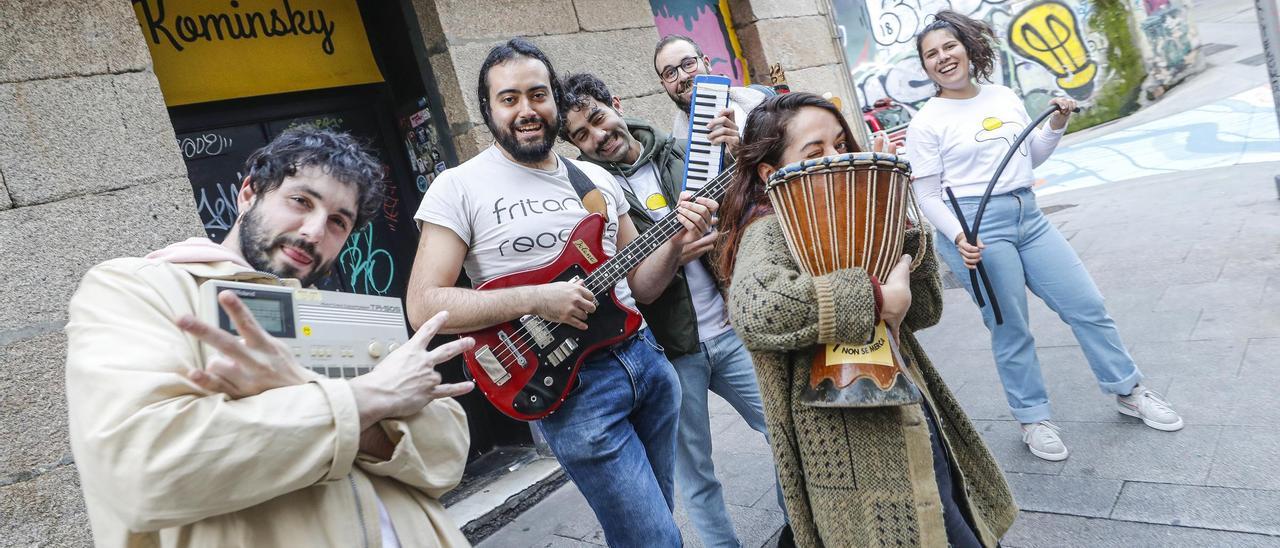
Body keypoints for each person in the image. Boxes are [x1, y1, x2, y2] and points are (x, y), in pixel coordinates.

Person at [65, 127, 475, 547]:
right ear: (248, 194)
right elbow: (141, 471)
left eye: (338, 221)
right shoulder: (139, 289)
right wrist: (367, 399)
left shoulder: (344, 317)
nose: (314, 231)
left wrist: (321, 406)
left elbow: (447, 458)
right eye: (300, 201)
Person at [406, 39, 714, 547]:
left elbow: (641, 284)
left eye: (538, 94)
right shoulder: (459, 187)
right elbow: (424, 306)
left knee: (651, 529)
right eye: (509, 99)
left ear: (554, 100)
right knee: (657, 539)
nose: (526, 110)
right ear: (488, 108)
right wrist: (536, 298)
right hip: (571, 388)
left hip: (647, 363)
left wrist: (677, 235)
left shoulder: (593, 178)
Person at [717, 92, 1017, 547]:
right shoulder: (771, 227)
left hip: (910, 404)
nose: (837, 158)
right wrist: (875, 298)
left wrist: (899, 220)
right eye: (815, 152)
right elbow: (756, 306)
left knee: (950, 511)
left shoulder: (852, 211)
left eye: (841, 143)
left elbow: (923, 312)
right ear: (771, 172)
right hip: (852, 440)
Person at [906, 10, 1183, 462]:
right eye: (931, 55)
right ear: (925, 67)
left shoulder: (1003, 95)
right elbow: (927, 193)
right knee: (1010, 327)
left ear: (967, 48)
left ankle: (1128, 390)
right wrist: (958, 236)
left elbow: (1026, 160)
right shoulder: (927, 122)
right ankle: (1033, 418)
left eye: (949, 47)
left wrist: (1056, 125)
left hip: (1029, 217)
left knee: (1086, 305)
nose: (943, 58)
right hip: (977, 227)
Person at [560, 71, 785, 548]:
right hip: (672, 348)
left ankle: (798, 527)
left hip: (732, 328)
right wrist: (673, 249)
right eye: (581, 135)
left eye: (598, 119)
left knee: (785, 435)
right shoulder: (590, 197)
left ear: (616, 103)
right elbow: (641, 289)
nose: (598, 137)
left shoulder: (684, 151)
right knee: (697, 475)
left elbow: (748, 209)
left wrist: (737, 153)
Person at [653, 35, 767, 144]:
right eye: (670, 73)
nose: (683, 77)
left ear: (707, 64)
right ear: (664, 85)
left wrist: (741, 151)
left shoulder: (762, 105)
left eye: (688, 64)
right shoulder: (674, 150)